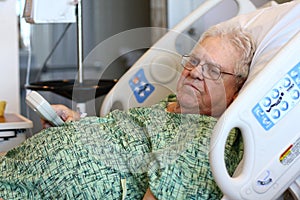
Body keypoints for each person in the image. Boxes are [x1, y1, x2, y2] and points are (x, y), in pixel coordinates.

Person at [0, 25, 255, 199]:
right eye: (194, 61)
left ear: (235, 93)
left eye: (213, 71)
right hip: (21, 171)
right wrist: (77, 123)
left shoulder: (206, 139)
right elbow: (125, 140)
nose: (196, 72)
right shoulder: (170, 107)